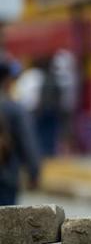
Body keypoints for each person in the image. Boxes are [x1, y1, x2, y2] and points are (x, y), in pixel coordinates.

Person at [0, 60, 41, 205]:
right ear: (7, 80)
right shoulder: (14, 109)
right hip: (6, 177)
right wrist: (34, 172)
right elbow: (27, 141)